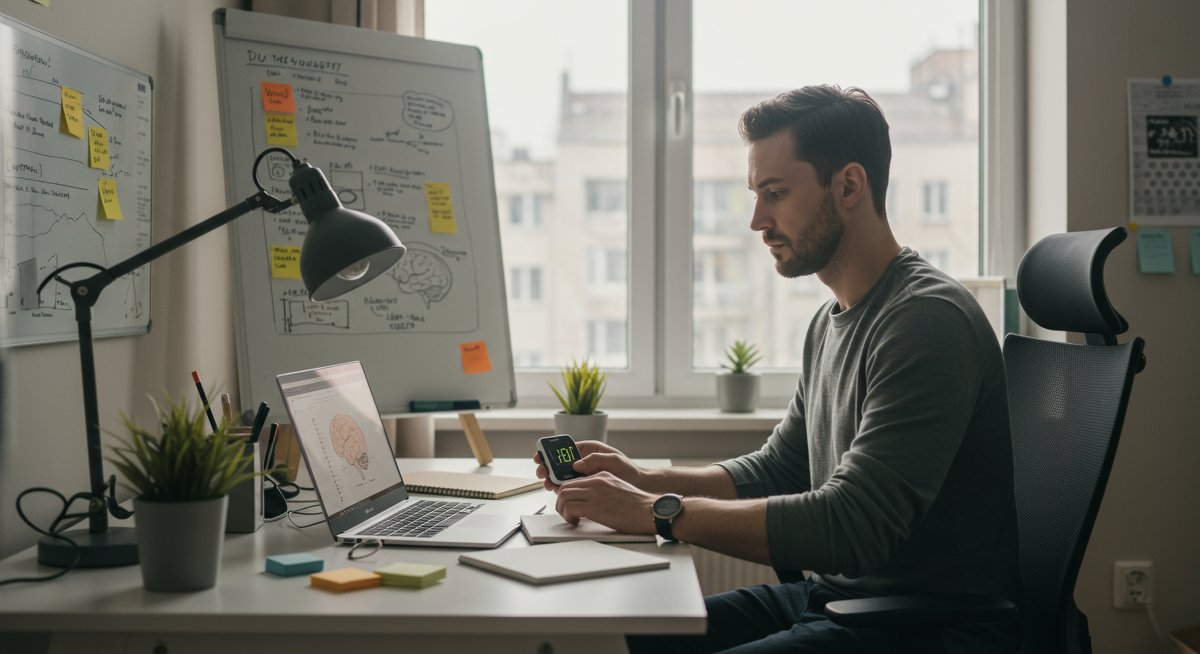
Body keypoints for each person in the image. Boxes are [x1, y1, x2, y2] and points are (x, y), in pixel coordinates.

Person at [534, 85, 1020, 653]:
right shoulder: (830, 320)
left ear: (848, 186)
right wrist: (643, 479)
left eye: (775, 193)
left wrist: (658, 513)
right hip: (839, 602)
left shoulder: (927, 321)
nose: (757, 220)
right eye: (756, 194)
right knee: (624, 635)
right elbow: (779, 469)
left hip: (925, 628)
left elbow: (852, 525)